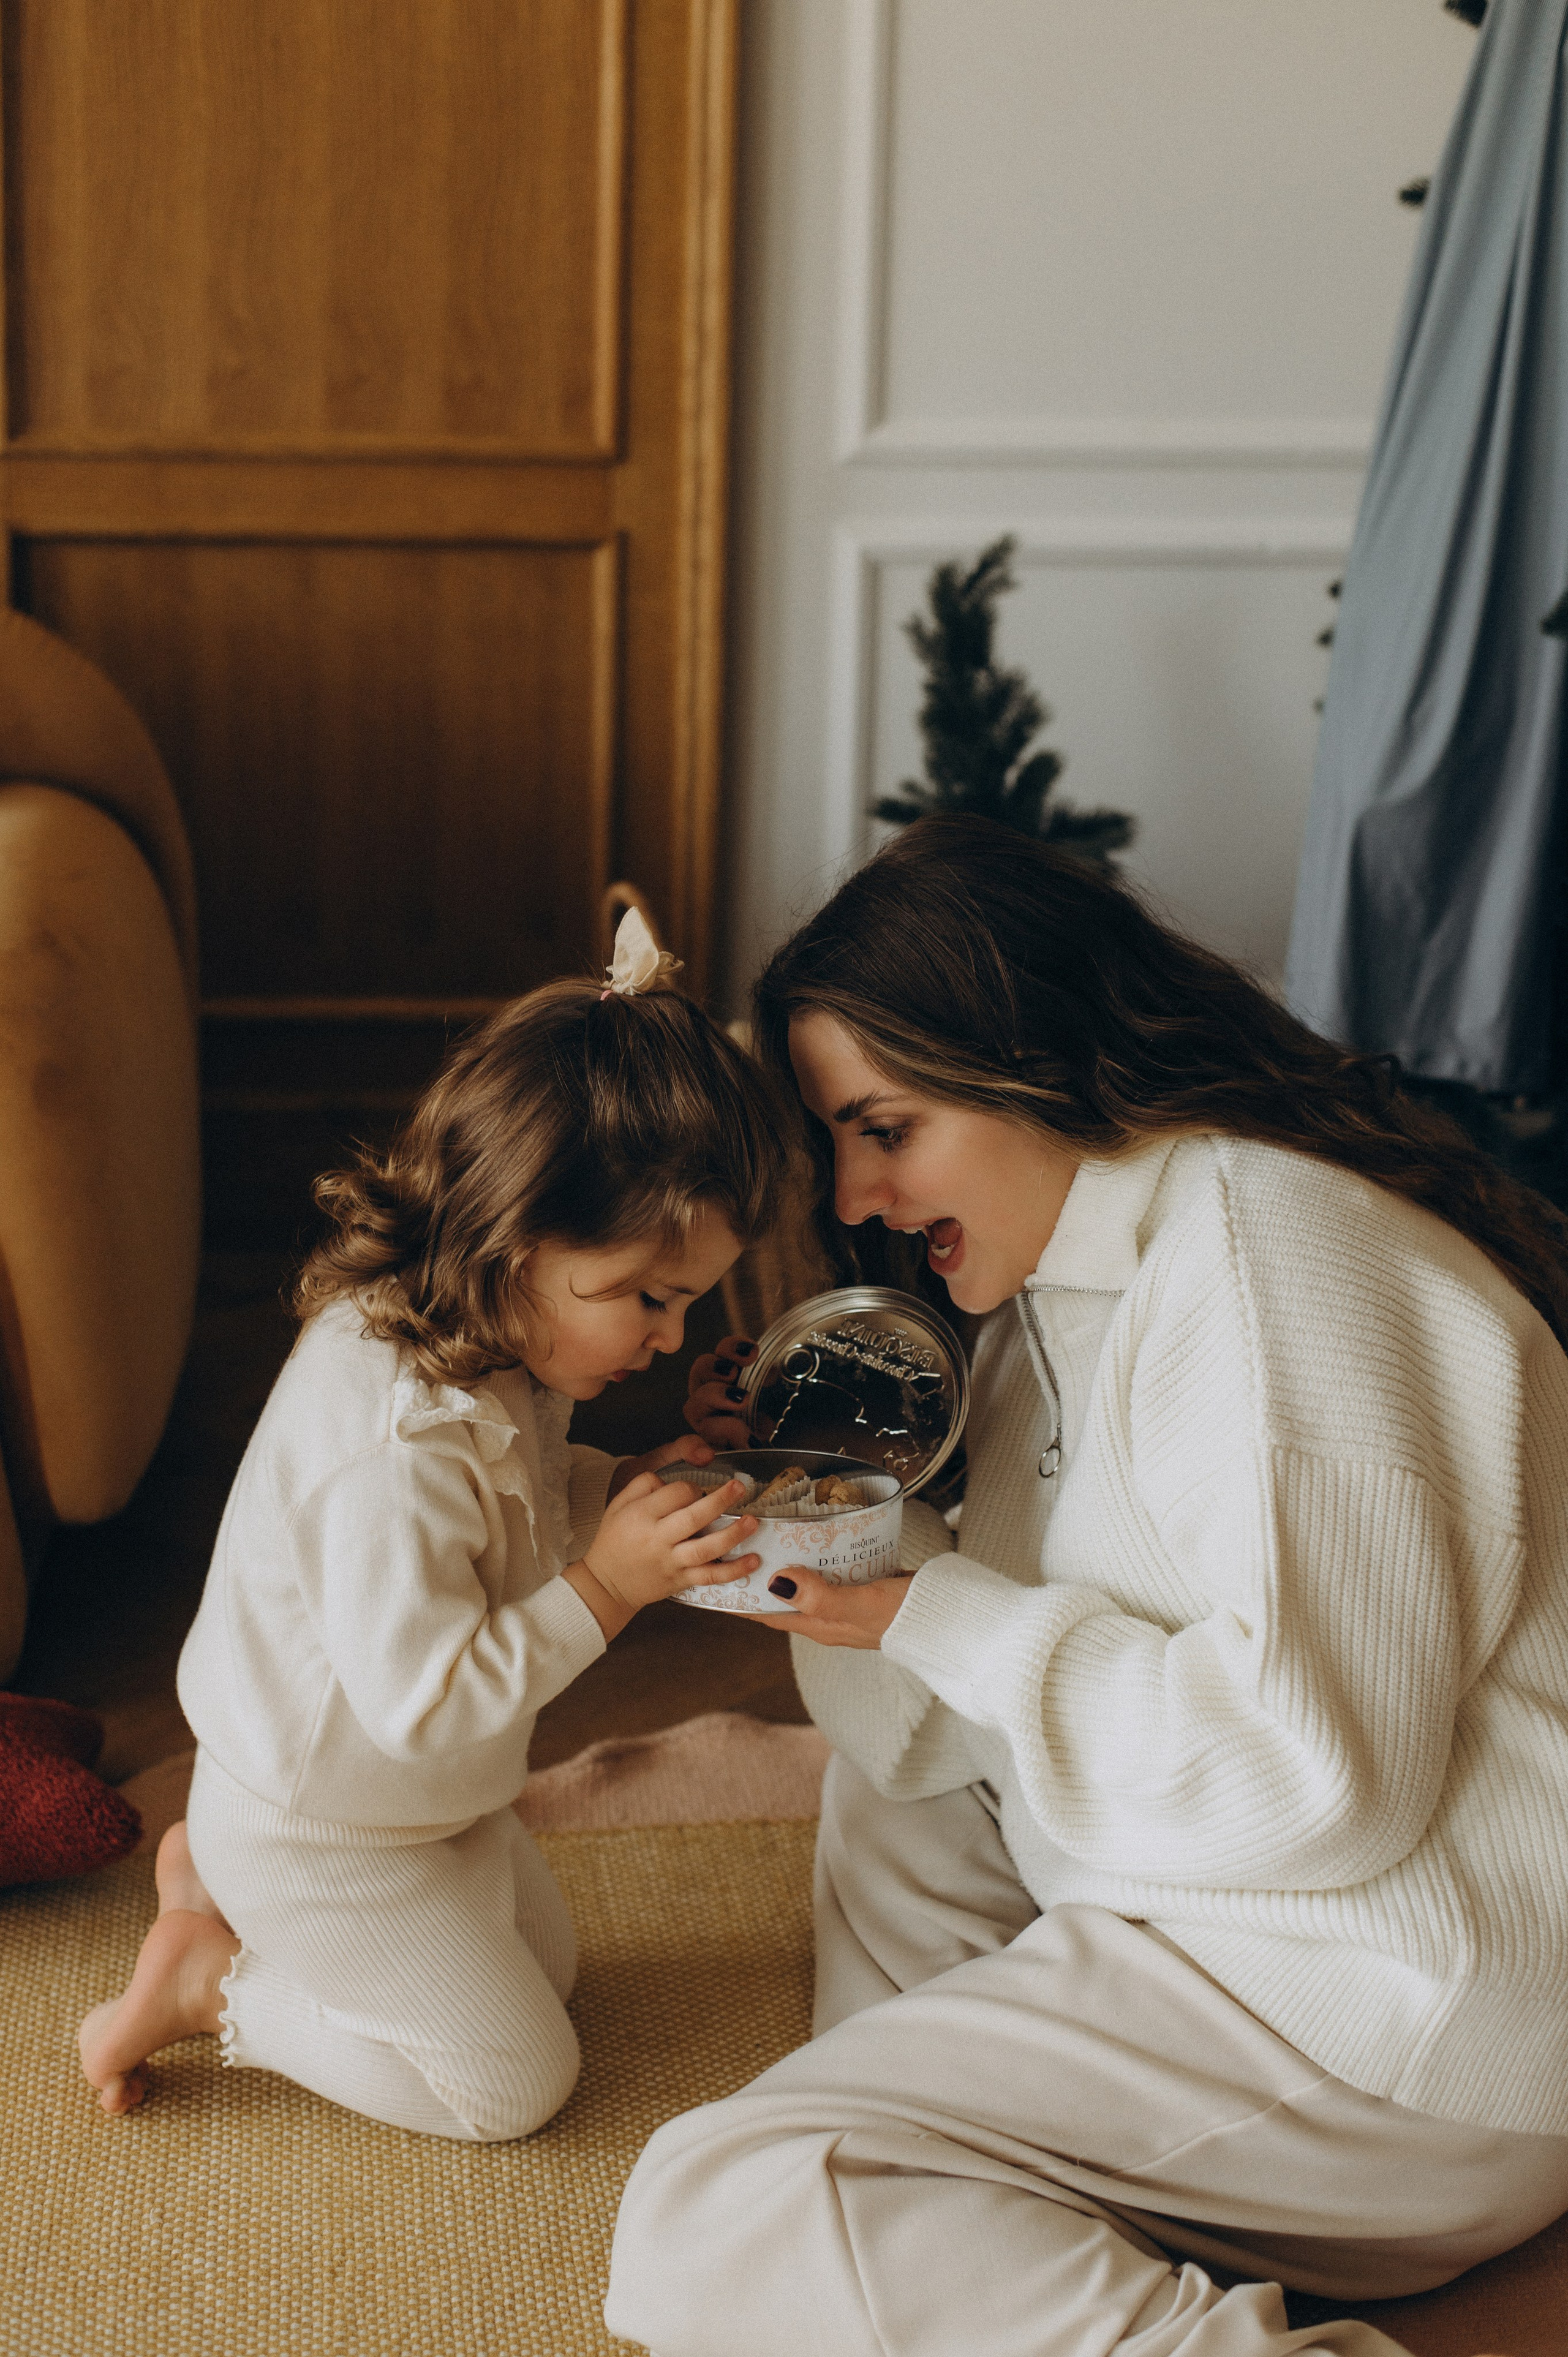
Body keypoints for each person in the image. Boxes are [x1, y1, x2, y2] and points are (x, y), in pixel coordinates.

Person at [608, 815, 1568, 2356]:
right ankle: (960, 2183)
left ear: (1021, 1054)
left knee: (719, 2198)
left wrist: (925, 1608)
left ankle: (960, 2229)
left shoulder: (1278, 1259)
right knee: (900, 1791)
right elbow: (928, 1729)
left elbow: (1317, 1779)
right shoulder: (1055, 1295)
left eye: (886, 1126)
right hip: (1248, 1931)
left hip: (1405, 2003)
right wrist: (826, 1506)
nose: (853, 1196)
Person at [78, 929, 788, 2141]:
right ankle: (216, 1980)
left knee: (547, 1979)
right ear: (520, 1241)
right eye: (647, 1298)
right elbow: (424, 1696)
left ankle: (209, 1883)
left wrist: (634, 1479)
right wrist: (608, 1586)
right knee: (508, 2083)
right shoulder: (390, 1444)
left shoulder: (481, 1329)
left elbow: (510, 1493)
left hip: (421, 1799)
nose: (668, 1337)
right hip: (328, 1819)